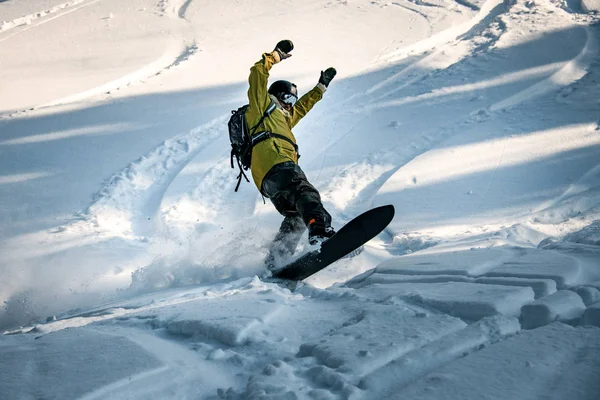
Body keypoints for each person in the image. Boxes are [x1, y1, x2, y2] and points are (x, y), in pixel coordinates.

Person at [245, 39, 337, 269]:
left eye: (292, 101)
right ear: (276, 95)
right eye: (287, 99)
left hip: (268, 180)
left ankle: (275, 260)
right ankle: (320, 231)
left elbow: (303, 107)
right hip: (277, 162)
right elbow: (258, 73)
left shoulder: (285, 118)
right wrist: (275, 56)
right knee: (306, 192)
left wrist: (320, 88)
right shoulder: (262, 105)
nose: (290, 105)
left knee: (296, 215)